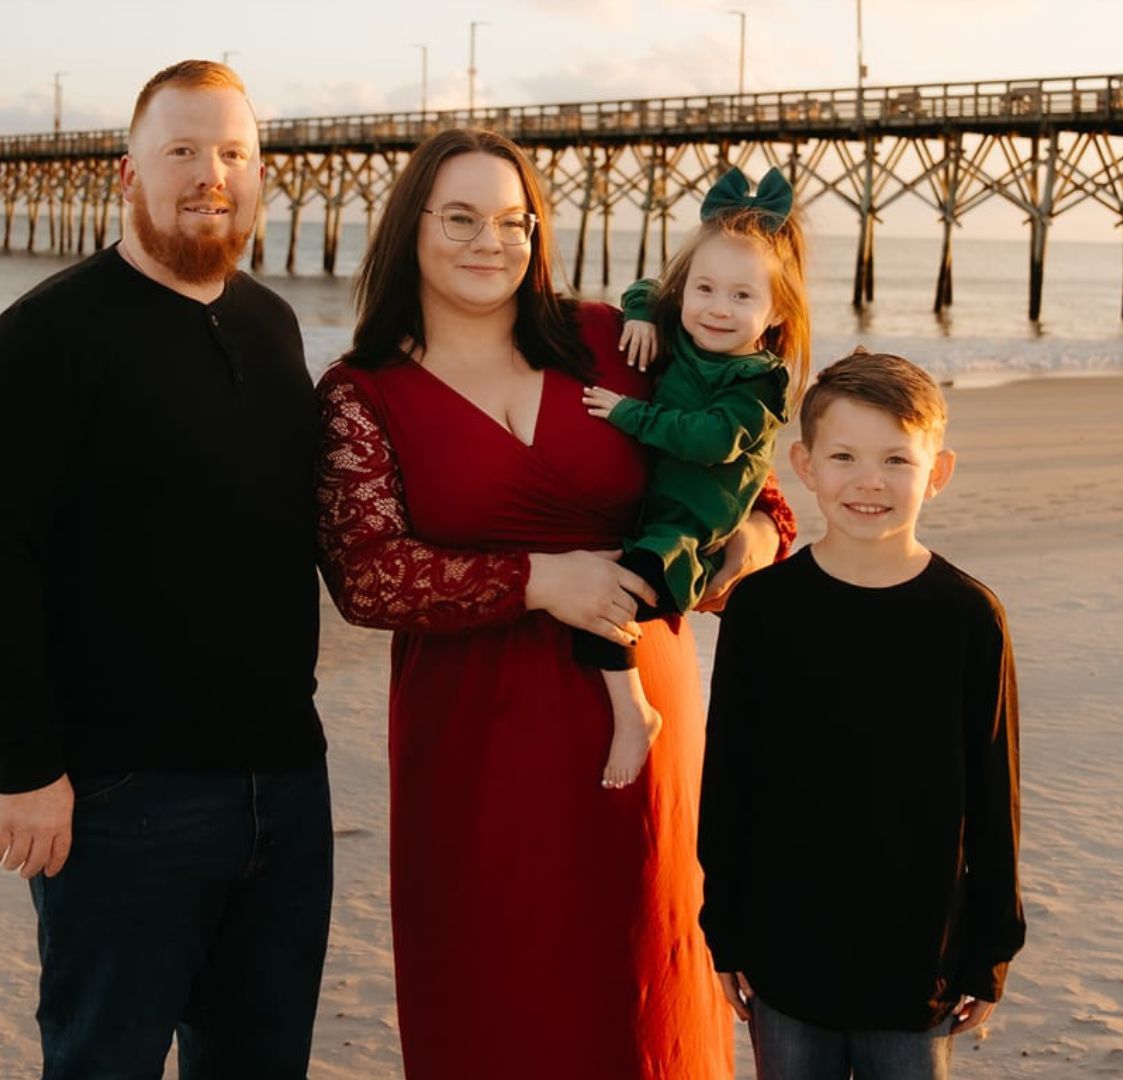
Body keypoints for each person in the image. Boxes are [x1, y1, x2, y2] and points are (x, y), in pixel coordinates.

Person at [314, 127, 796, 1080]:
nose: (488, 241)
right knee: (498, 997)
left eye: (512, 220)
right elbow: (365, 576)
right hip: (475, 746)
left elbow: (754, 485)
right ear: (409, 228)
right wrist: (540, 579)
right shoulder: (361, 392)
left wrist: (747, 548)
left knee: (643, 1001)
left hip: (646, 731)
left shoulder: (615, 342)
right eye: (459, 217)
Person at [0, 60, 332, 1079]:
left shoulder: (270, 324)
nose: (213, 175)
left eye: (235, 154)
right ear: (128, 175)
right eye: (184, 151)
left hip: (285, 789)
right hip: (122, 797)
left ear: (261, 175)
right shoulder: (46, 336)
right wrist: (23, 766)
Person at [697, 349, 1025, 1080]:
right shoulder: (762, 610)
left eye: (896, 460)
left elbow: (994, 792)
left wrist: (992, 948)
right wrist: (725, 931)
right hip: (786, 949)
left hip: (918, 957)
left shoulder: (968, 617)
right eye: (844, 455)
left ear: (937, 473)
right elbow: (729, 782)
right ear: (805, 465)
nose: (869, 481)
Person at [576, 166, 810, 788]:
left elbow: (710, 440)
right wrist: (641, 315)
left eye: (742, 297)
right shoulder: (684, 339)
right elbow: (646, 286)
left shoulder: (759, 381)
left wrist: (631, 413)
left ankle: (634, 714)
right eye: (704, 290)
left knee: (607, 603)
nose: (717, 309)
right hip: (660, 512)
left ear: (776, 310)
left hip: (690, 528)